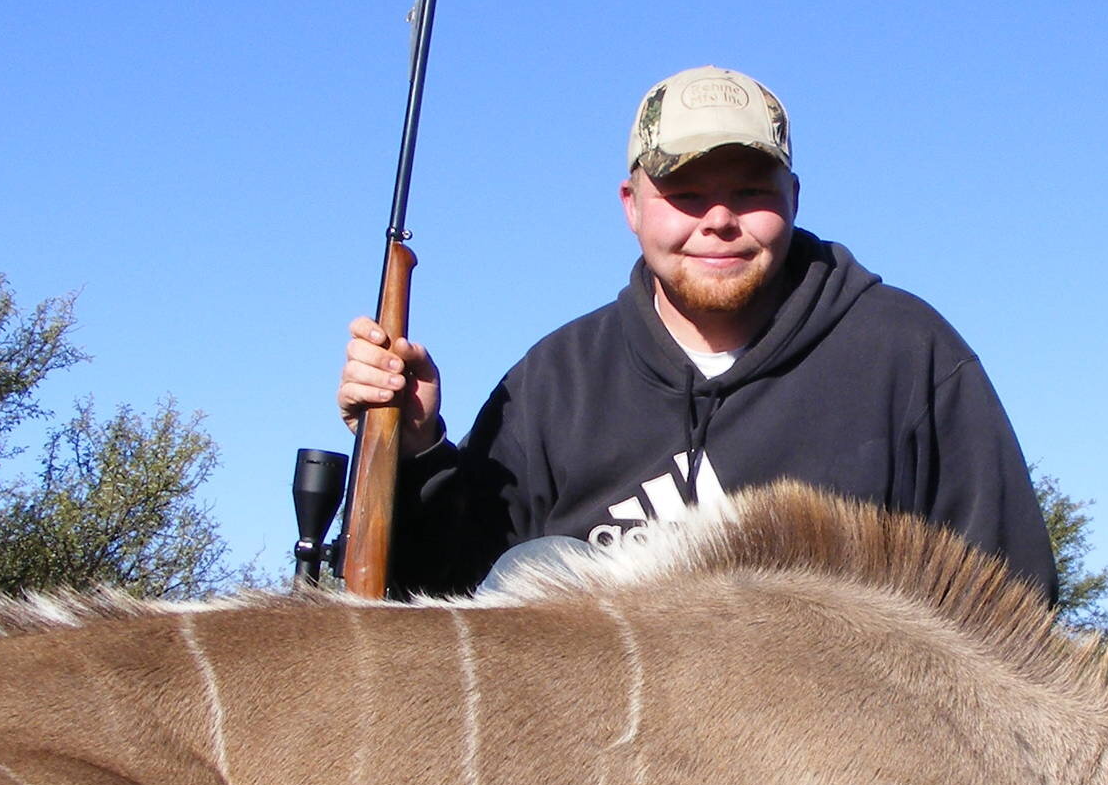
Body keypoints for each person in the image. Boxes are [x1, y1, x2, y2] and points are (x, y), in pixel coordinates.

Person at [336, 65, 1057, 601]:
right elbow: (443, 611)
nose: (718, 219)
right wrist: (420, 449)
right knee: (537, 570)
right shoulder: (554, 384)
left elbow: (1012, 604)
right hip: (600, 780)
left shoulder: (907, 354)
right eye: (685, 193)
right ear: (632, 205)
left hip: (840, 776)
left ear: (793, 198)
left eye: (750, 190)